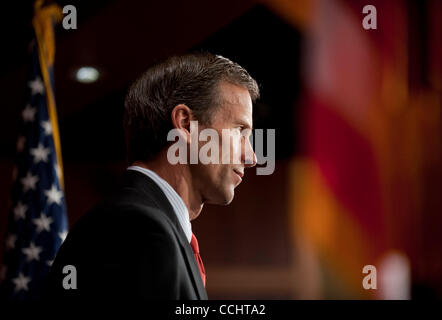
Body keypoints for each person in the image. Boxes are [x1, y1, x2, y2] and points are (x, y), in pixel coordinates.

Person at [44, 52, 259, 300]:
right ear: (187, 124)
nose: (251, 157)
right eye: (240, 131)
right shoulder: (138, 227)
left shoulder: (150, 224)